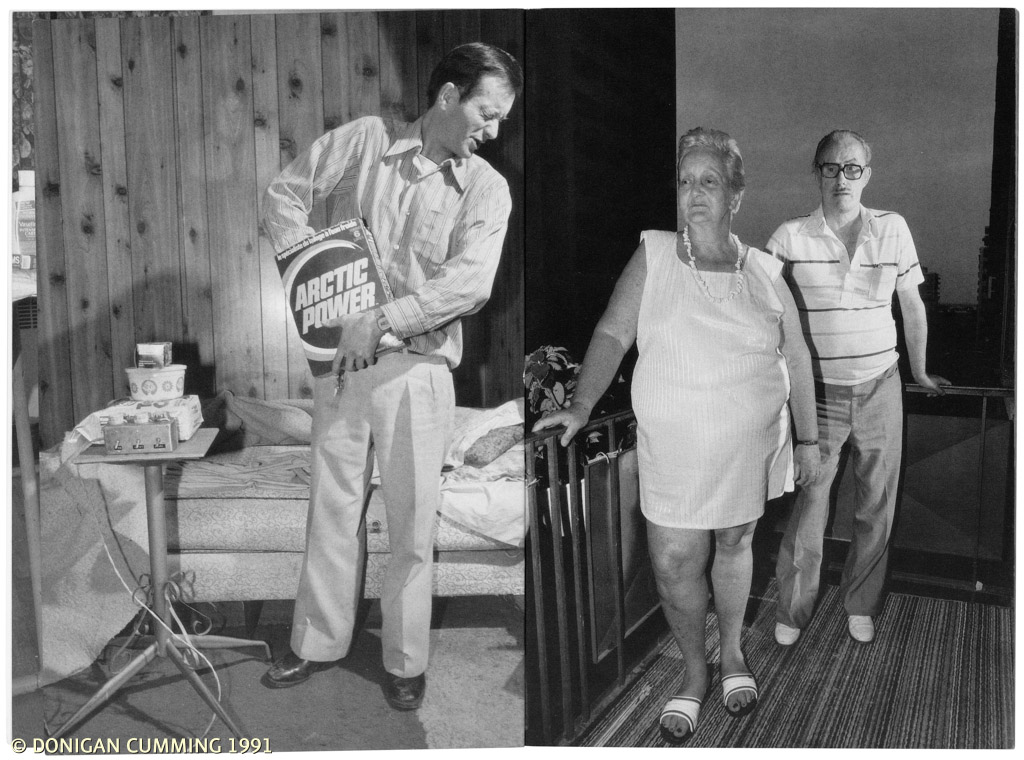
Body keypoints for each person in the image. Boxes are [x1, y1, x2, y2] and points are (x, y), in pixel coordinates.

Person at [259, 42, 523, 711]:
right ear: (448, 96)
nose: (494, 131)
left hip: (420, 370)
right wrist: (312, 270)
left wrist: (378, 319)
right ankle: (316, 644)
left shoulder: (487, 189)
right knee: (332, 511)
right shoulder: (366, 142)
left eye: (501, 120)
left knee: (411, 525)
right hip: (342, 369)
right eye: (487, 113)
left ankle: (406, 660)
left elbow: (470, 284)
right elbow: (283, 193)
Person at [534, 127, 819, 744]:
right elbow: (613, 334)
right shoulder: (655, 254)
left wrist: (809, 440)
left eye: (709, 181)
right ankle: (694, 672)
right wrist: (580, 406)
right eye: (686, 181)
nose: (694, 193)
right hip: (674, 447)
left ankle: (733, 653)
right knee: (671, 559)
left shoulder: (766, 270)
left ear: (735, 195)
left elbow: (796, 355)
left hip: (748, 444)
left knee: (735, 542)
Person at [769, 130, 950, 648]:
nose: (841, 178)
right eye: (831, 167)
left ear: (867, 175)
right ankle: (792, 608)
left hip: (881, 387)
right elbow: (768, 316)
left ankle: (861, 603)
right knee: (810, 505)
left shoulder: (892, 228)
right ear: (817, 172)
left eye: (852, 168)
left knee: (877, 503)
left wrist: (919, 372)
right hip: (818, 396)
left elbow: (911, 305)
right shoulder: (789, 237)